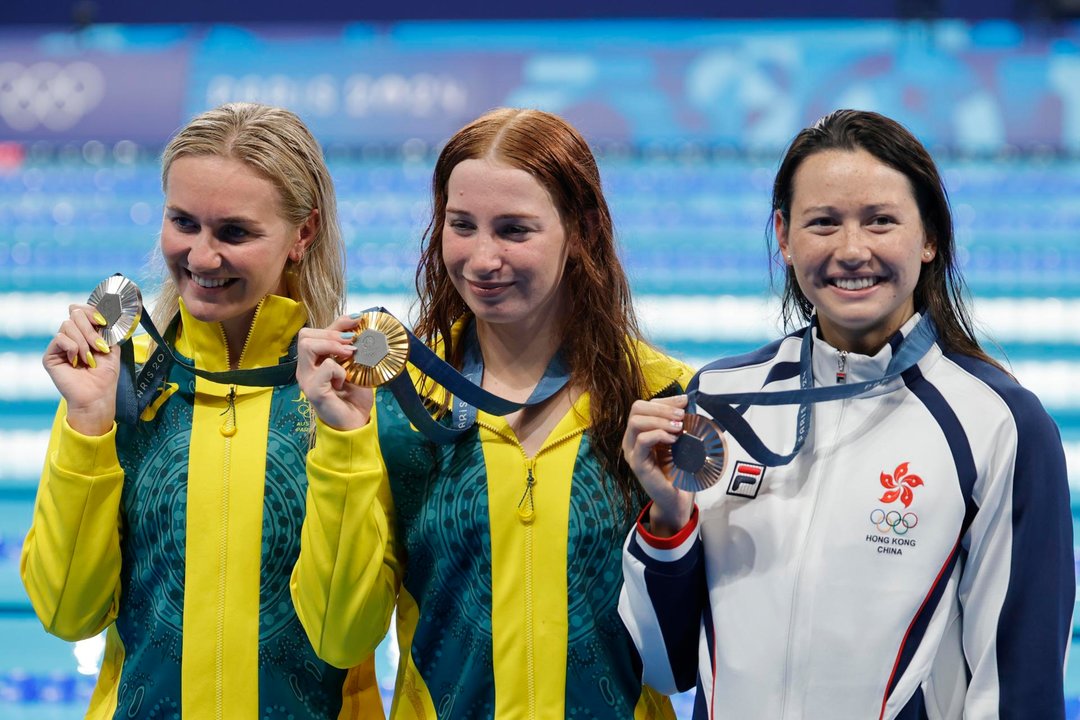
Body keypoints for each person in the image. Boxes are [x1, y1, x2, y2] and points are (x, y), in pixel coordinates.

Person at [619, 109, 1073, 719]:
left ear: (930, 237)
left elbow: (1017, 687)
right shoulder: (722, 397)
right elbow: (662, 664)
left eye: (881, 221)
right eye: (823, 223)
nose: (852, 250)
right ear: (784, 236)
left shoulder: (997, 423)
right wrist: (668, 523)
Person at [290, 107, 693, 719]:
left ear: (581, 231)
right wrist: (344, 443)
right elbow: (339, 636)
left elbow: (693, 654)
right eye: (462, 225)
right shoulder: (400, 403)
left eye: (514, 230)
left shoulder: (661, 399)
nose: (481, 259)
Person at [21, 102, 380, 718]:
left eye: (234, 232)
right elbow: (65, 611)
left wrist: (345, 445)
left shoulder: (348, 395)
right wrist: (87, 426)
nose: (202, 257)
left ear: (303, 233)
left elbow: (345, 635)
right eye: (183, 222)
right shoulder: (115, 385)